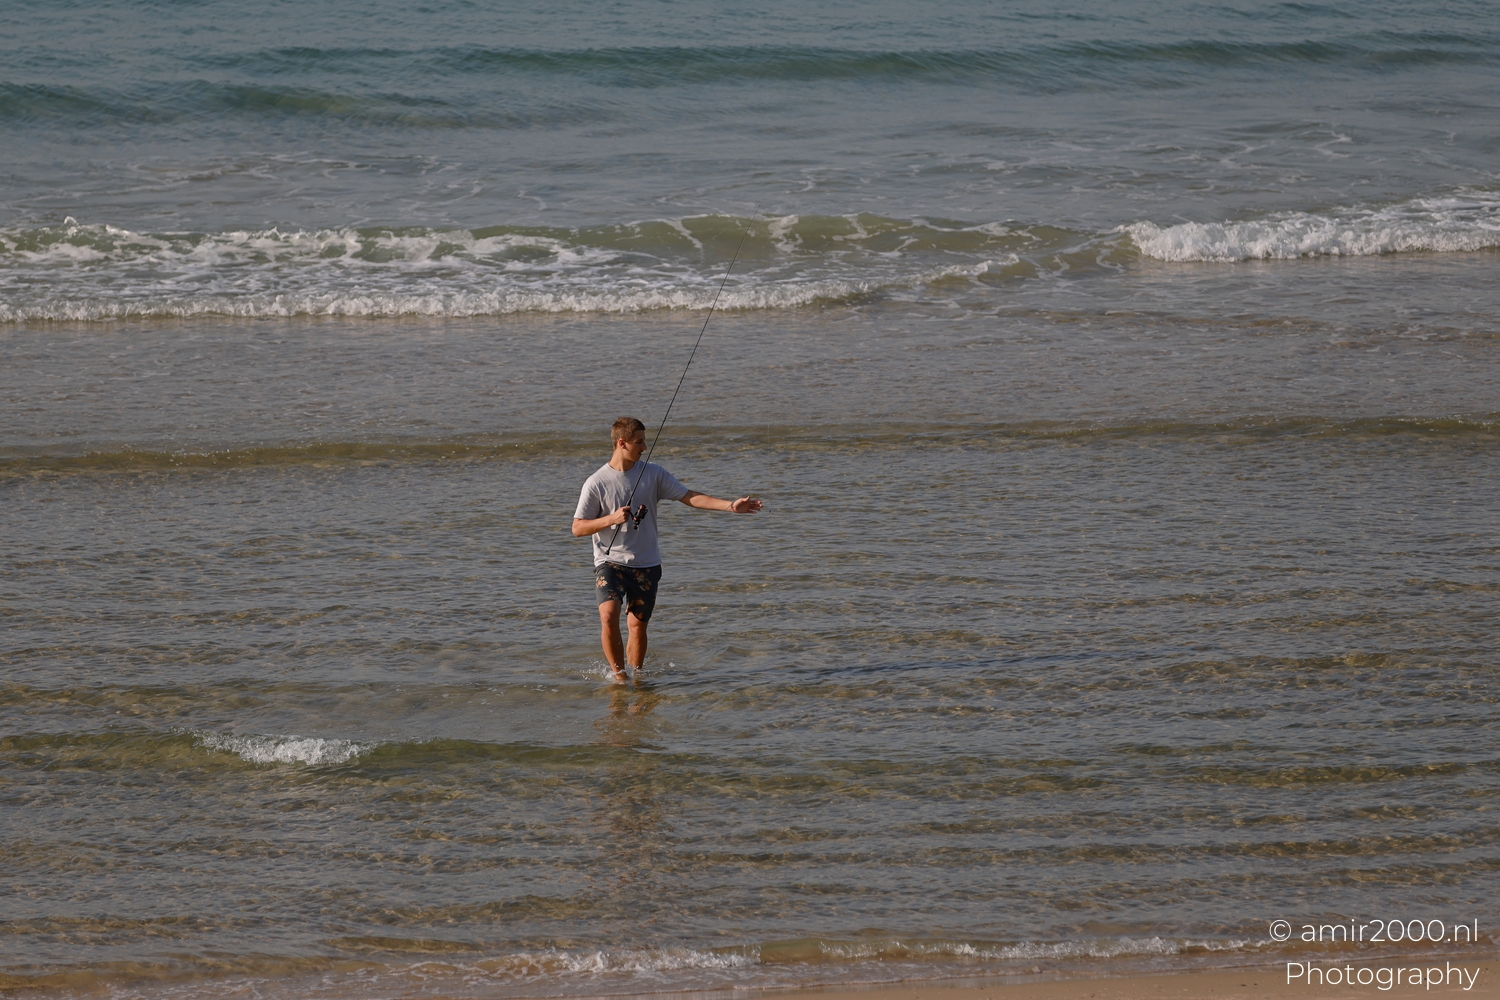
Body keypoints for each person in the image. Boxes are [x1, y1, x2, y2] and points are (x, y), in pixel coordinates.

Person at [572, 416, 763, 683]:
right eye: (639, 442)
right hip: (610, 561)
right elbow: (578, 528)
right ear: (622, 443)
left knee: (637, 626)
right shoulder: (597, 482)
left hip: (646, 563)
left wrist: (730, 506)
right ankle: (619, 678)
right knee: (608, 614)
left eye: (644, 441)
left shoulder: (654, 473)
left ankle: (637, 679)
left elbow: (689, 497)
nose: (644, 447)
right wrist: (610, 519)